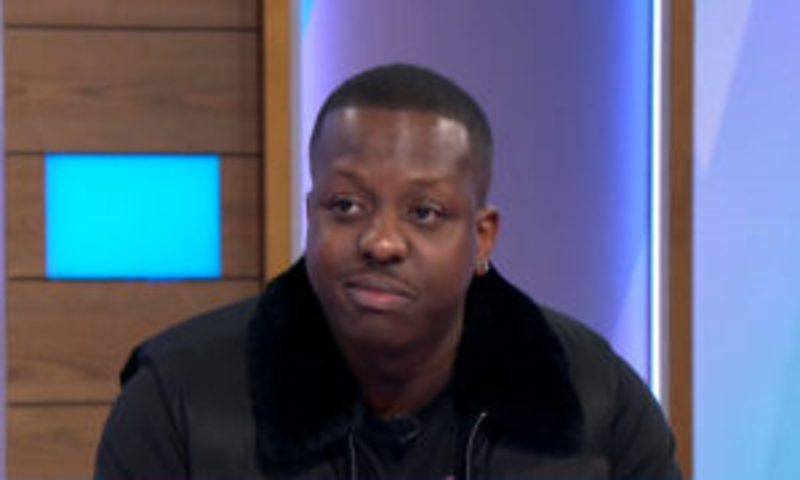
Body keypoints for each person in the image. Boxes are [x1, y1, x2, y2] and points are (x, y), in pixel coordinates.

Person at [95, 64, 682, 480]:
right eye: (347, 205)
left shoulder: (596, 398)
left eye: (424, 213)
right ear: (311, 216)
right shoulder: (178, 400)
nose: (380, 242)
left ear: (482, 236)